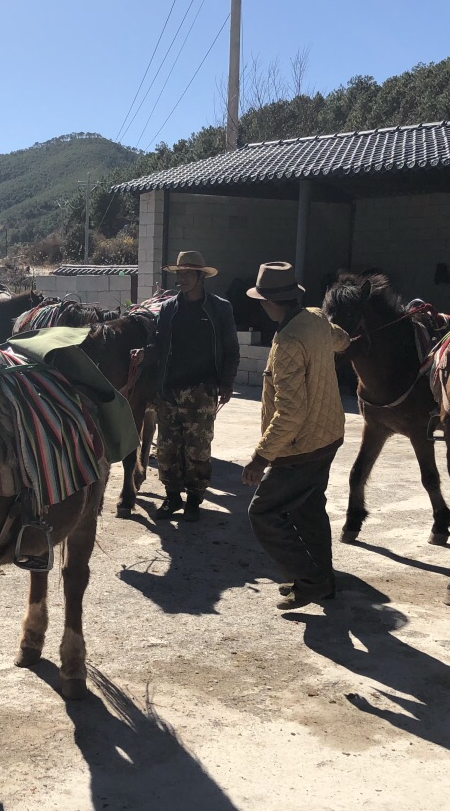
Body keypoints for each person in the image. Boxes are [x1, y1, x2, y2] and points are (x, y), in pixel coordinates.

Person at [241, 262, 350, 609]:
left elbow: (290, 412)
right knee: (309, 510)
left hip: (300, 447)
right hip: (328, 436)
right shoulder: (316, 318)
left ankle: (312, 580)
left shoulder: (287, 342)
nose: (261, 306)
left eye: (262, 300)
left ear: (271, 302)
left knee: (263, 513)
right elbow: (342, 339)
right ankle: (323, 582)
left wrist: (261, 457)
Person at [145, 250, 239, 522]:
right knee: (166, 448)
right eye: (179, 274)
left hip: (202, 390)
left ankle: (194, 501)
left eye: (188, 273)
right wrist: (145, 353)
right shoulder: (169, 308)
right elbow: (159, 345)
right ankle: (172, 497)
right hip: (169, 389)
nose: (182, 278)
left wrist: (227, 382)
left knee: (197, 448)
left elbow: (231, 349)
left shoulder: (220, 308)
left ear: (201, 276)